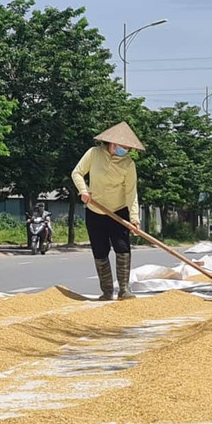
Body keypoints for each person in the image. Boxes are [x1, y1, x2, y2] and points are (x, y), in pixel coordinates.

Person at [71, 121, 143, 300]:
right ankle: (107, 291)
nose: (125, 150)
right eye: (122, 146)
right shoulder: (94, 154)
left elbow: (131, 192)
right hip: (95, 210)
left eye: (127, 147)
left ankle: (124, 290)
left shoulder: (128, 164)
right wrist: (84, 190)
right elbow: (77, 173)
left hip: (118, 212)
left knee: (122, 248)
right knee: (100, 250)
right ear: (112, 143)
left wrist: (134, 218)